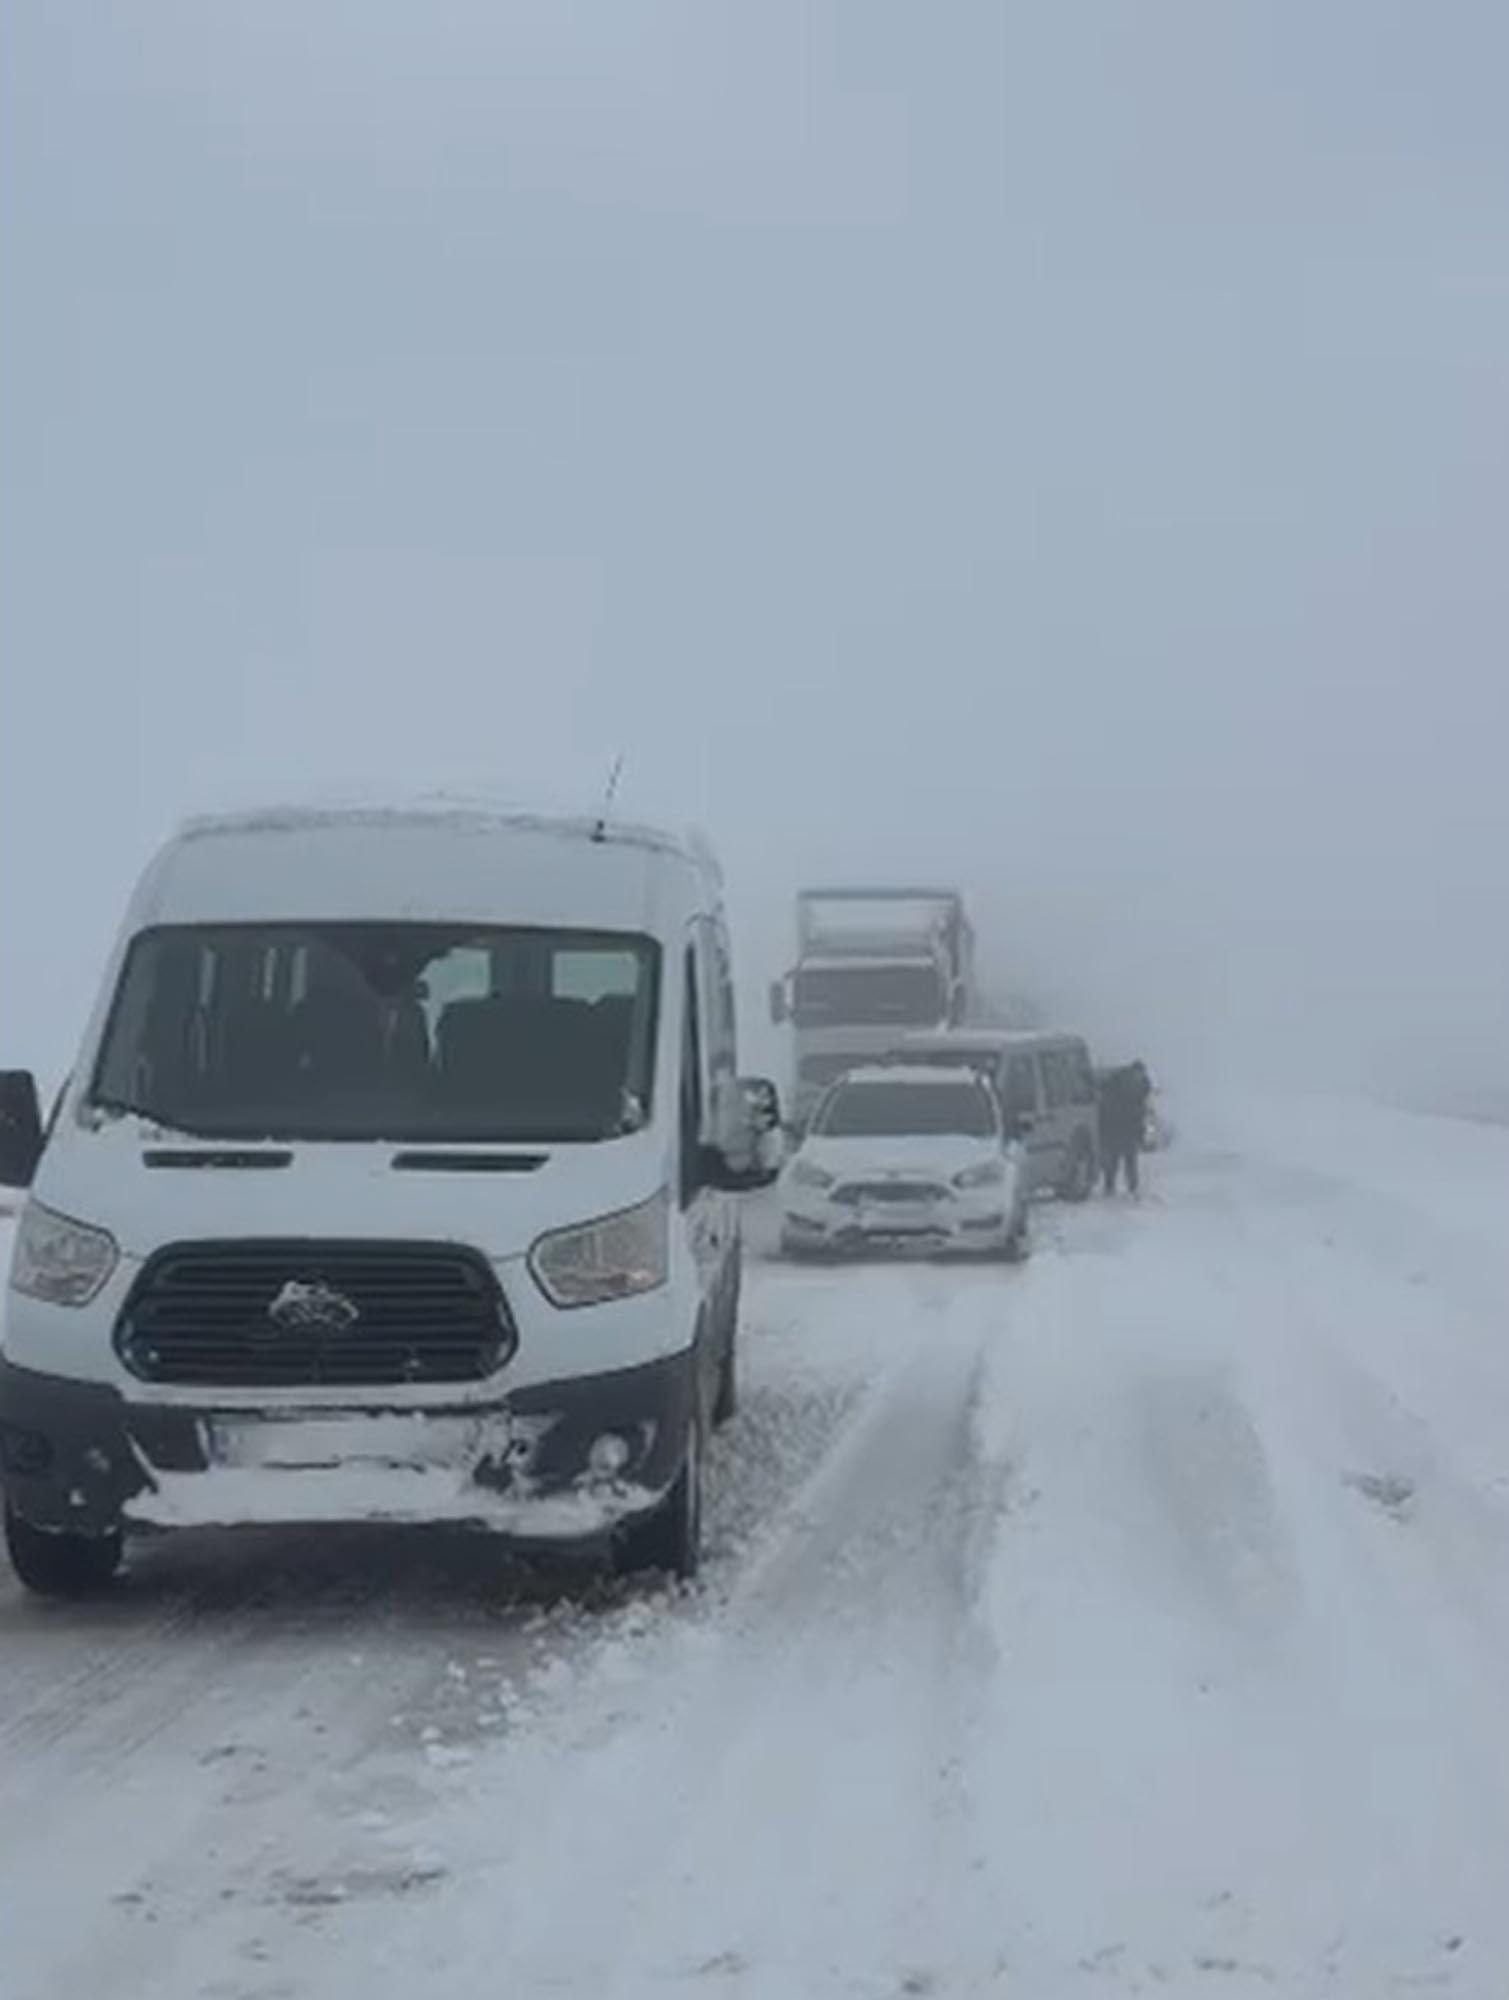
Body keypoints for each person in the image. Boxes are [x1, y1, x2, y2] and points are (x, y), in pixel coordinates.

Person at [1099, 1059, 1151, 1196]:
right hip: (1125, 1128)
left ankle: (1110, 1186)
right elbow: (1138, 1115)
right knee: (1129, 1161)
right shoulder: (1137, 1090)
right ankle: (1131, 1187)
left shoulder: (1116, 1082)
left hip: (1114, 1128)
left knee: (1114, 1160)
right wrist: (1140, 1134)